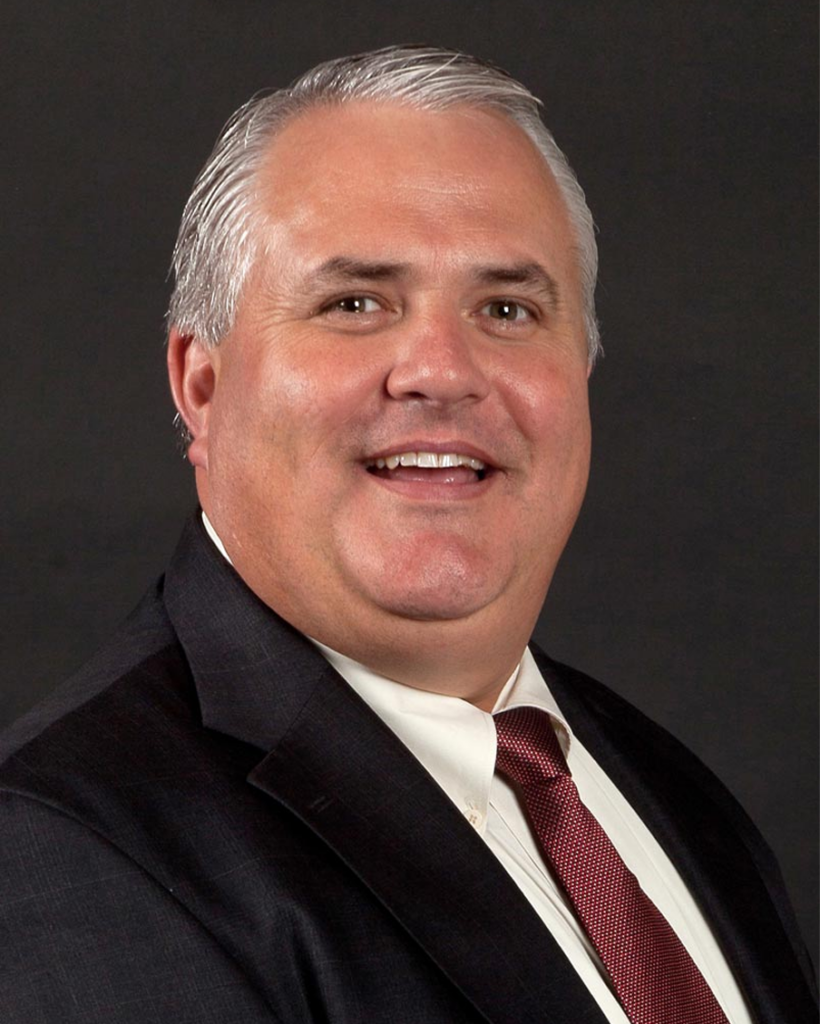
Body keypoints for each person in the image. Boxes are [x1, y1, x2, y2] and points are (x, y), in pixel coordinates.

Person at [0, 45, 816, 1024]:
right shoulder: (70, 855)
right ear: (201, 386)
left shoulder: (667, 796)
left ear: (583, 378)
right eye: (355, 303)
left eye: (506, 308)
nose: (440, 368)